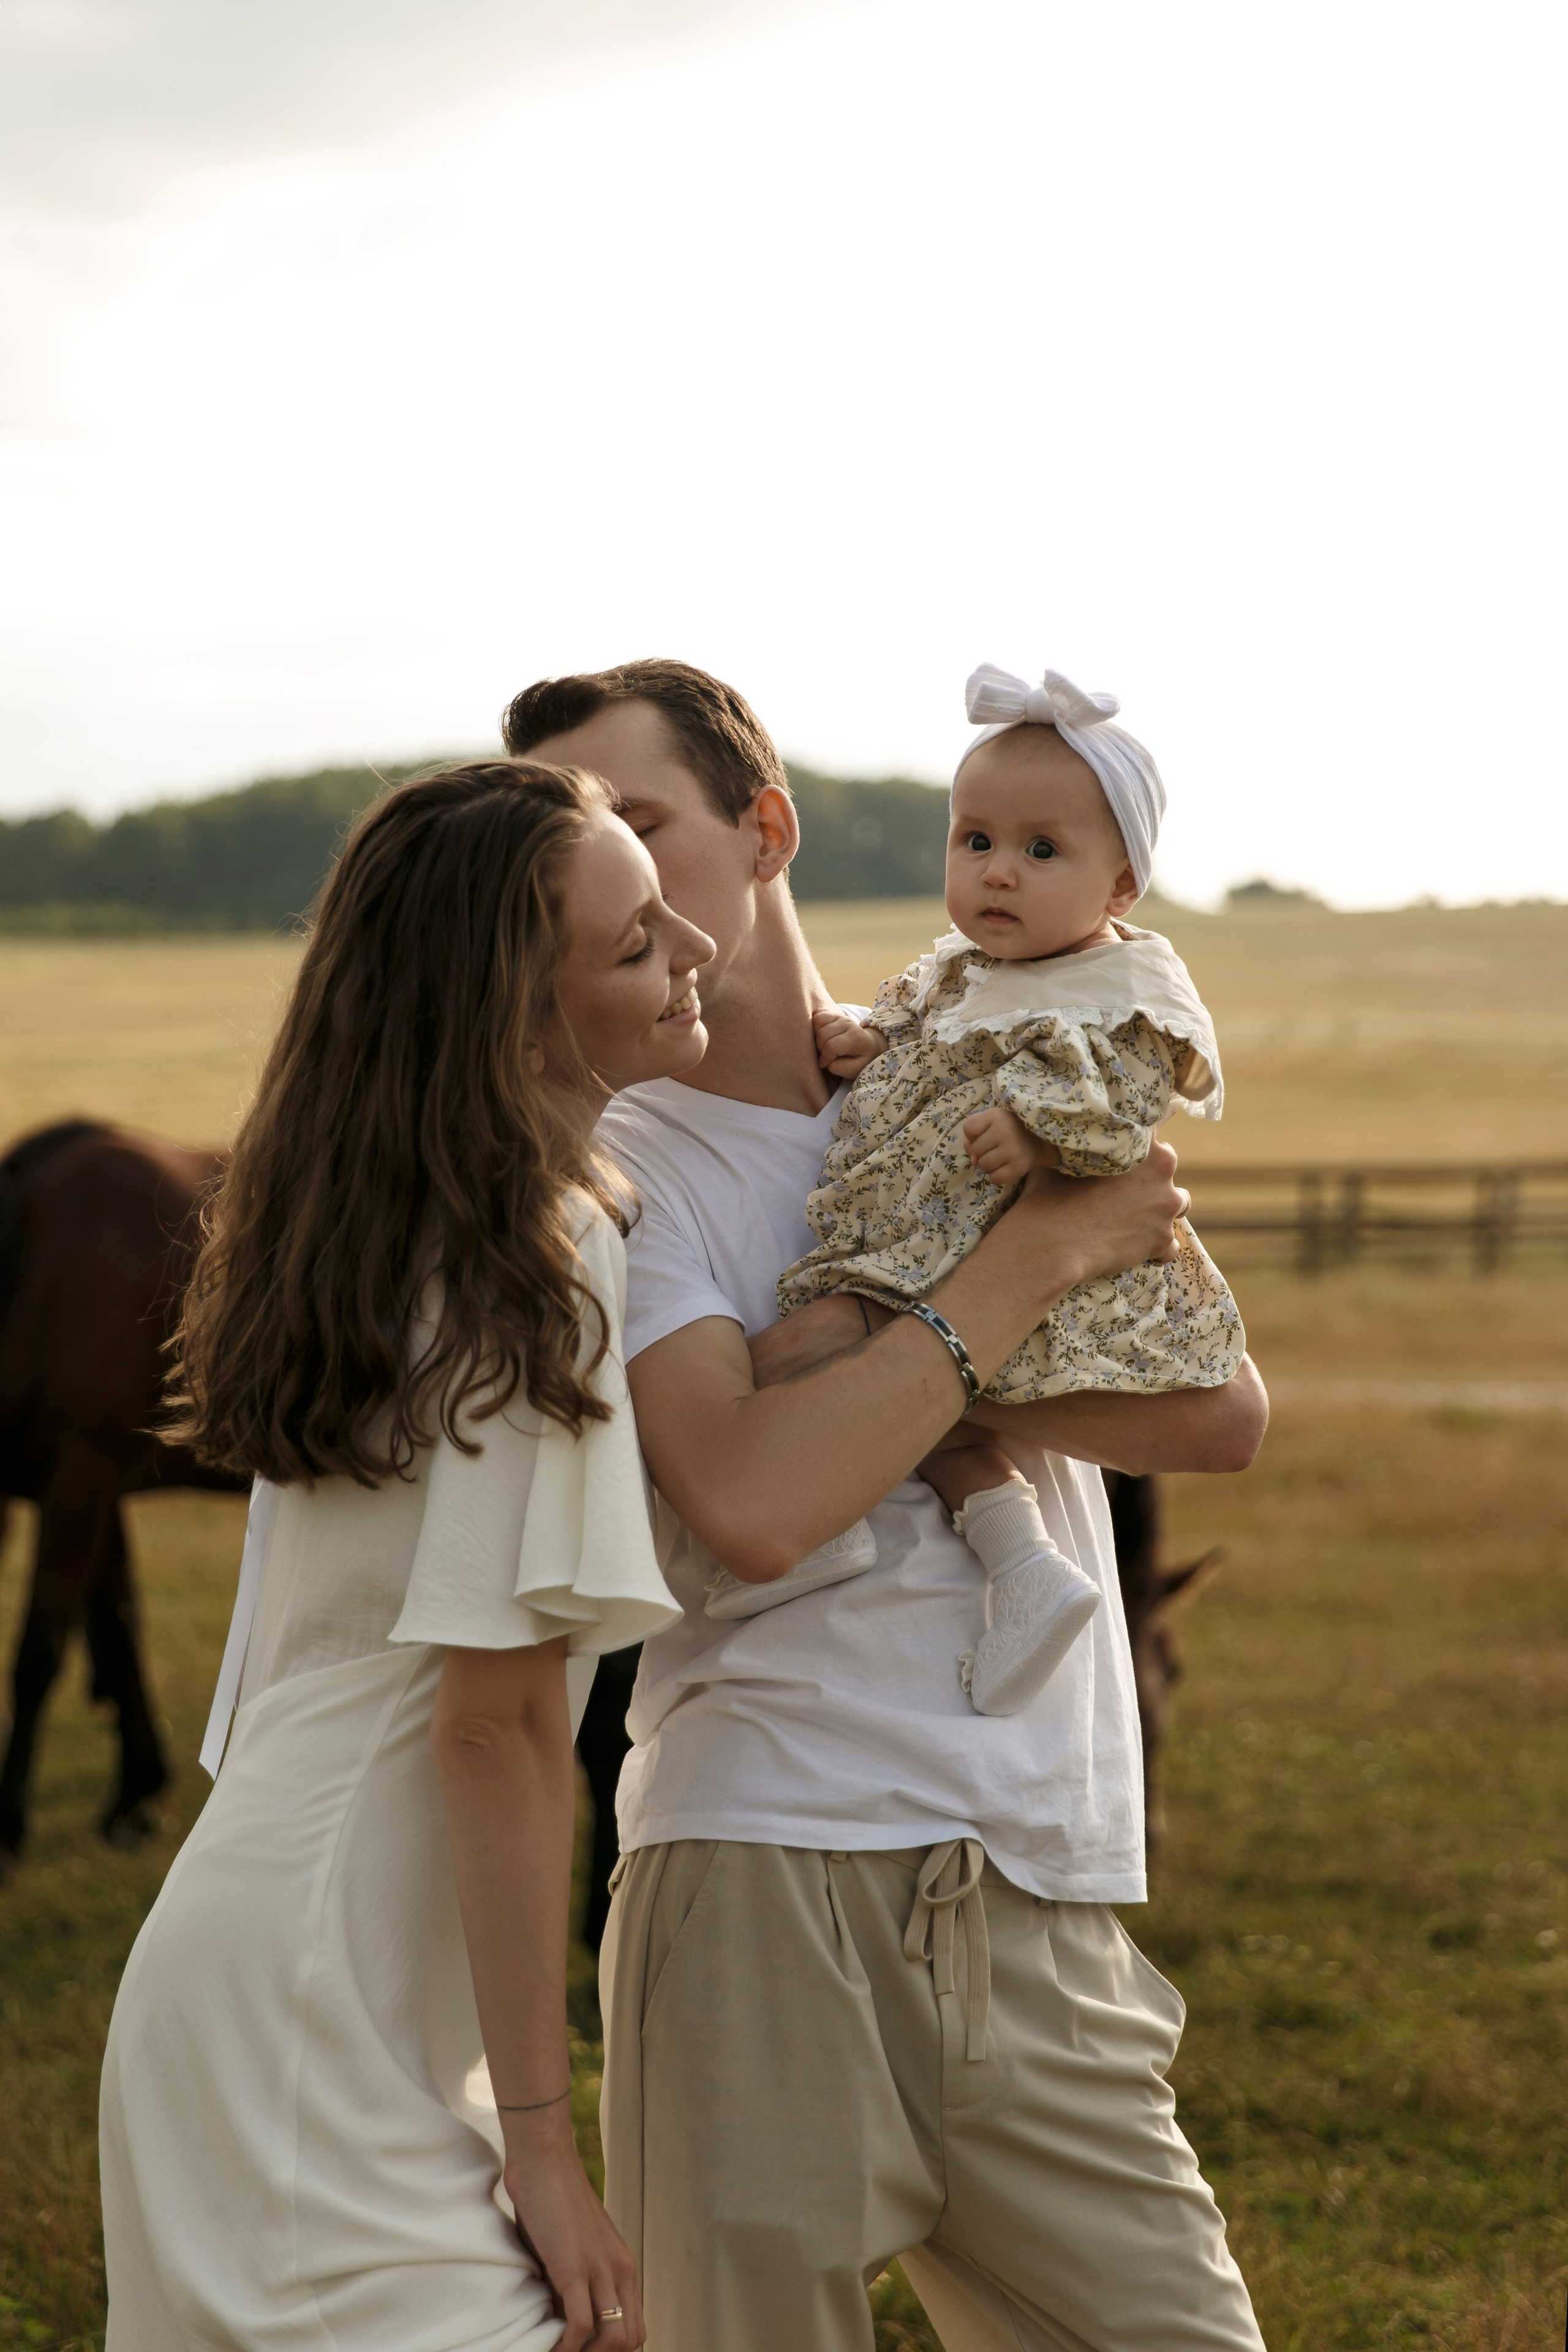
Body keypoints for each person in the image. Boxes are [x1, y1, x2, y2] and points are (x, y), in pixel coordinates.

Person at [502, 660, 1271, 2352]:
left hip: (1042, 1877)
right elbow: (752, 1501)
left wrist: (856, 1364)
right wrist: (1023, 1272)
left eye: (639, 822)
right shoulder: (614, 1169)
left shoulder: (978, 1055)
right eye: (558, 850)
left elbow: (1215, 1411)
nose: (604, 878)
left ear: (765, 830)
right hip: (764, 1877)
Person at [99, 762, 713, 2352]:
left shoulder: (378, 1228)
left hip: (252, 1969)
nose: (694, 950)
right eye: (637, 942)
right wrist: (542, 2149)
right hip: (319, 2024)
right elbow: (493, 1722)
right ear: (518, 1021)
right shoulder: (541, 1253)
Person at [747, 659, 1244, 1717]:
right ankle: (1017, 1562)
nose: (998, 874)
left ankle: (821, 1516)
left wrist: (1037, 1131)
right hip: (934, 1236)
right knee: (930, 1413)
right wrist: (871, 1040)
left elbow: (1128, 1105)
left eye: (1040, 850)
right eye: (974, 841)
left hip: (981, 1244)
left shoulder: (1118, 990)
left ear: (1120, 887)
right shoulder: (968, 969)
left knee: (814, 1350)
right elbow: (922, 1027)